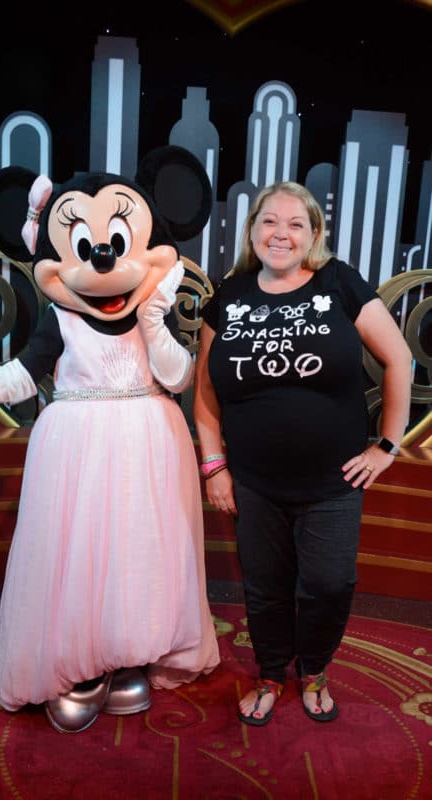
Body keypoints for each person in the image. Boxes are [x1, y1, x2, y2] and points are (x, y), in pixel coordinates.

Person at [0, 147, 219, 733]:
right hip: (77, 441)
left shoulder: (154, 305)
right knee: (78, 550)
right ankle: (79, 665)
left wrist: (156, 321)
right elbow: (23, 375)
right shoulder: (60, 315)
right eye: (84, 246)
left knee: (141, 550)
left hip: (151, 438)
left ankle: (132, 650)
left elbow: (180, 376)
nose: (104, 260)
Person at [193, 181, 412, 726]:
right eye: (270, 221)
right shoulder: (230, 293)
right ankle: (271, 673)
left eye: (296, 224)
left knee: (329, 583)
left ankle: (313, 668)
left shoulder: (339, 283)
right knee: (263, 587)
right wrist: (214, 466)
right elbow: (203, 393)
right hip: (254, 481)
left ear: (314, 234)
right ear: (252, 230)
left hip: (333, 482)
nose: (281, 233)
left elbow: (400, 359)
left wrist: (387, 445)